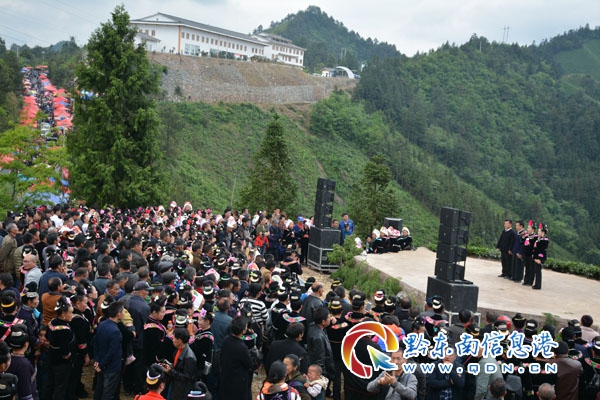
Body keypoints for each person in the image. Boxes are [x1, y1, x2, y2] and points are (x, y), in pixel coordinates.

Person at [93, 300, 124, 400]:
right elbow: (112, 352)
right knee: (108, 393)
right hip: (111, 367)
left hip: (101, 362)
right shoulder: (116, 331)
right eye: (122, 312)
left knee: (99, 390)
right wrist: (101, 364)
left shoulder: (102, 324)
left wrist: (97, 360)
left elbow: (95, 343)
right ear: (118, 314)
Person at [46, 296, 75, 400]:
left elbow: (47, 336)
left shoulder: (52, 322)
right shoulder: (64, 329)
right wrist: (68, 356)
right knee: (60, 386)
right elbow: (64, 349)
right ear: (63, 314)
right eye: (70, 313)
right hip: (61, 363)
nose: (72, 315)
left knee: (51, 383)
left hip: (51, 357)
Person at [161, 327, 197, 400]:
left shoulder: (189, 357)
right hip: (174, 385)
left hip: (181, 391)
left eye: (174, 338)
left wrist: (170, 371)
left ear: (179, 341)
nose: (172, 340)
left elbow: (187, 377)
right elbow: (176, 365)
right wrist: (169, 367)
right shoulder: (178, 350)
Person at [306, 307, 335, 381]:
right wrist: (323, 376)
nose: (330, 318)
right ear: (323, 321)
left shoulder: (312, 326)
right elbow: (320, 359)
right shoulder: (318, 337)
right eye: (329, 317)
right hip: (321, 372)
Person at [531, 223, 549, 290]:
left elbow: (542, 250)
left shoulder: (544, 240)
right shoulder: (539, 238)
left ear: (543, 232)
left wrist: (539, 258)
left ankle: (538, 285)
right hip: (536, 257)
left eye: (539, 231)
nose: (538, 232)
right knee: (536, 271)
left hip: (540, 258)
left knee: (538, 271)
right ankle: (536, 284)